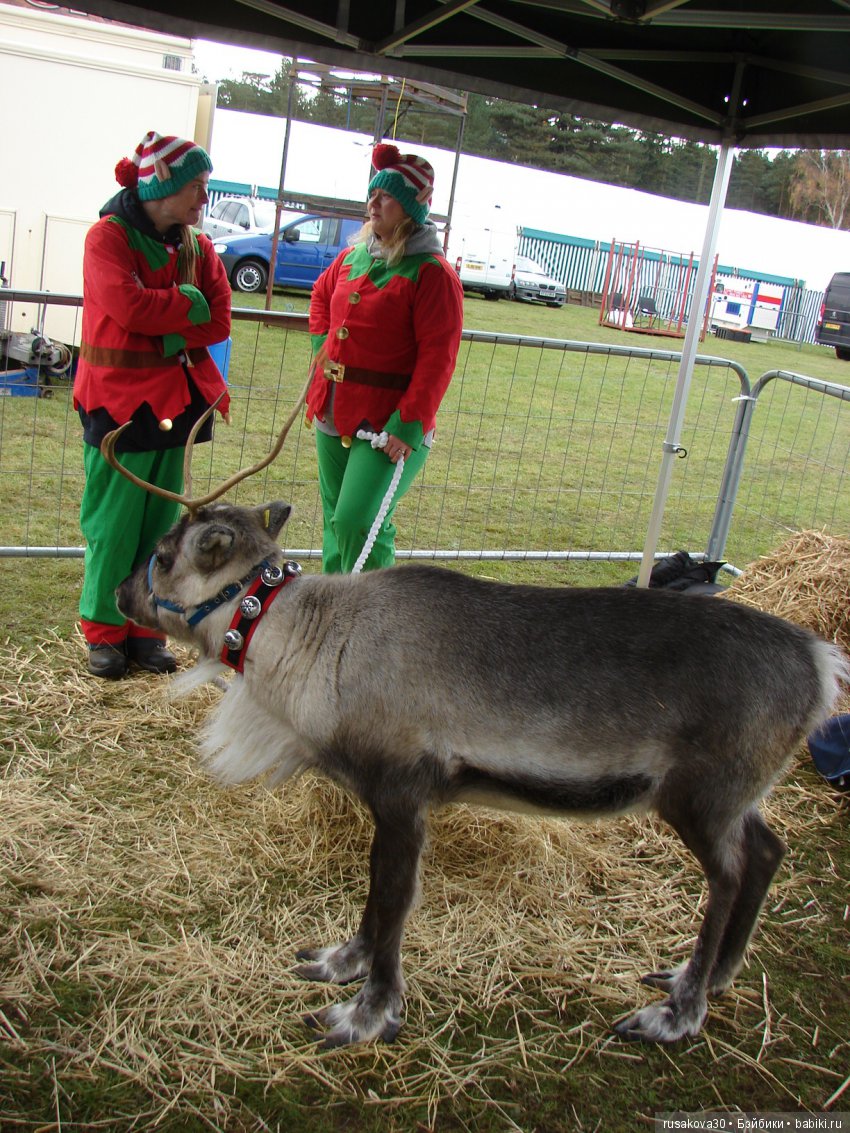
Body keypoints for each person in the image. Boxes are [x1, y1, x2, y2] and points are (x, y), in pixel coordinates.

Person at [74, 131, 232, 679]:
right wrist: (182, 309)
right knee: (113, 524)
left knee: (162, 529)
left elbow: (216, 319)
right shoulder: (107, 239)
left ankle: (144, 629)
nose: (203, 198)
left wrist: (166, 326)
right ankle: (103, 629)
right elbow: (127, 307)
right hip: (116, 407)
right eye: (195, 186)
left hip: (177, 405)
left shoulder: (198, 247)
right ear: (160, 186)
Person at [306, 142, 464, 573]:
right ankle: (335, 619)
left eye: (387, 195)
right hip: (334, 409)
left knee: (360, 522)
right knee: (334, 523)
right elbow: (320, 298)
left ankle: (378, 626)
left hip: (386, 422)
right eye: (373, 192)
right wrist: (324, 353)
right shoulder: (353, 256)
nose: (374, 202)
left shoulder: (432, 273)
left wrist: (407, 426)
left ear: (412, 207)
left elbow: (438, 358)